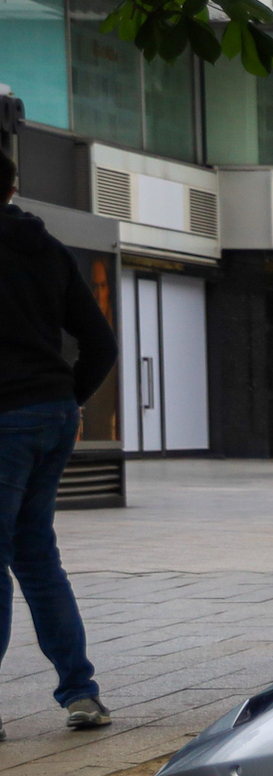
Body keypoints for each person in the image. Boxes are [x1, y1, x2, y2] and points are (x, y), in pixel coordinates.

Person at [0, 148, 116, 735]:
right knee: (37, 556)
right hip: (48, 413)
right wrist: (69, 399)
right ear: (13, 188)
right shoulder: (48, 250)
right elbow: (101, 342)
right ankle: (81, 692)